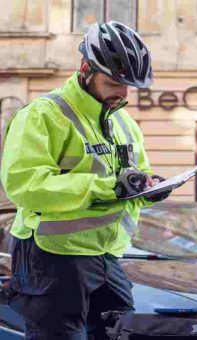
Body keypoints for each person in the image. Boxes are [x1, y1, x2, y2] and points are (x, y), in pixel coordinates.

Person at [0, 21, 170, 339]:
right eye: (113, 83)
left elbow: (135, 174)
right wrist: (106, 187)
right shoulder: (43, 115)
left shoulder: (123, 121)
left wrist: (149, 187)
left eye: (128, 85)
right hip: (52, 256)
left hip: (105, 254)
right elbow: (26, 185)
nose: (121, 93)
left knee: (121, 330)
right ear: (85, 70)